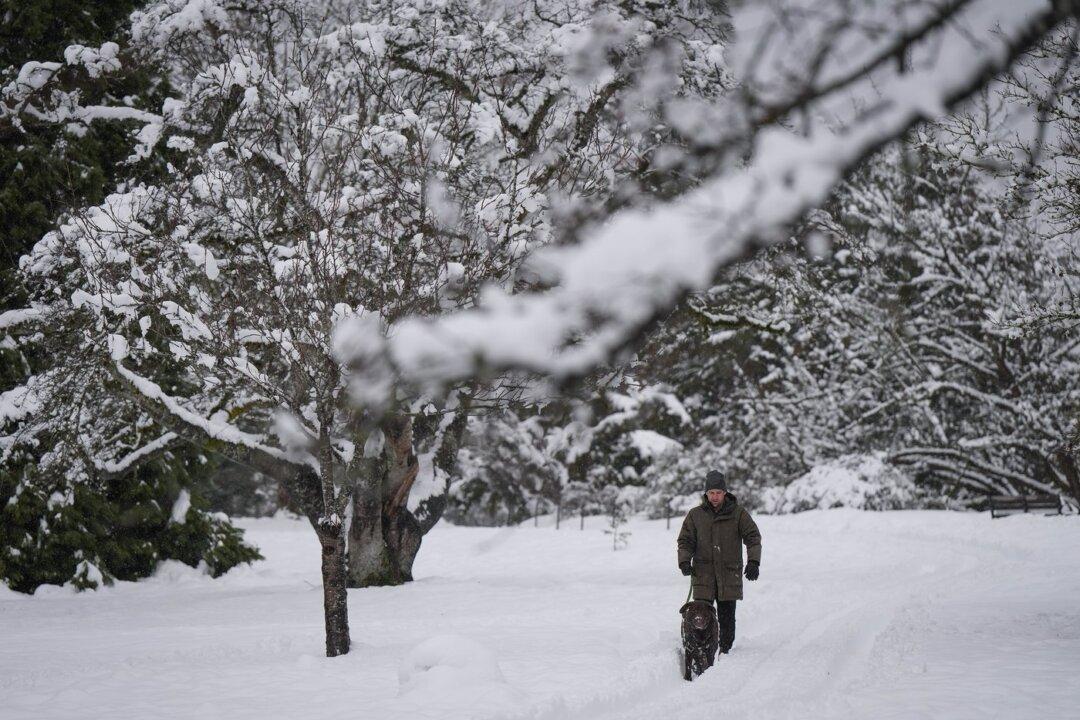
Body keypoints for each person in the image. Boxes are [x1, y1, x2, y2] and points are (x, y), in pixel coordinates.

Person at [676, 470, 762, 654]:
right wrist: (684, 561)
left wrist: (754, 561)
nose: (715, 497)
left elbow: (753, 537)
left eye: (718, 493)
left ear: (725, 493)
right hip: (703, 575)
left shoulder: (738, 514)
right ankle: (700, 652)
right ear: (706, 494)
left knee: (726, 618)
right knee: (701, 617)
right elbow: (685, 540)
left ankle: (725, 652)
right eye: (711, 493)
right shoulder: (695, 515)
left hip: (729, 574)